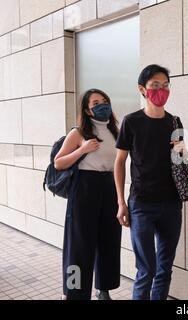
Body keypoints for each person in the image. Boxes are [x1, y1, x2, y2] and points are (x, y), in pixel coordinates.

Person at [114, 64, 186, 300]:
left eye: (165, 85)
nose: (161, 90)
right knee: (146, 269)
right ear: (142, 89)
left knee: (165, 268)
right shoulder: (131, 121)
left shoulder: (175, 122)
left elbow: (181, 160)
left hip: (171, 204)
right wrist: (121, 203)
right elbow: (119, 162)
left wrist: (180, 151)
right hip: (142, 204)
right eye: (155, 85)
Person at [55, 89, 122, 300]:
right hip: (85, 187)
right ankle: (73, 293)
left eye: (105, 100)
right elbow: (58, 162)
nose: (102, 105)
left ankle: (104, 289)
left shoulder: (116, 131)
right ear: (87, 110)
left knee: (109, 240)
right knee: (79, 244)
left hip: (109, 186)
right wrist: (82, 149)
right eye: (96, 102)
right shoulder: (78, 133)